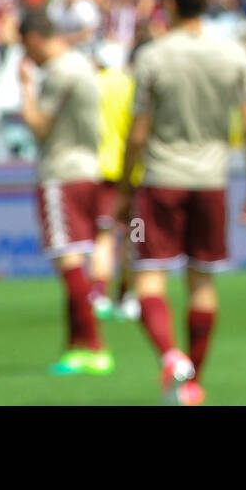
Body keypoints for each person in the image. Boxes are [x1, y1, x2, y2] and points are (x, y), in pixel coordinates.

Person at [119, 0, 246, 405]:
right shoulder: (234, 54)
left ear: (168, 6)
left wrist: (127, 188)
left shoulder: (152, 56)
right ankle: (193, 382)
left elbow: (138, 133)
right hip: (211, 179)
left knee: (149, 277)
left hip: (162, 178)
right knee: (202, 283)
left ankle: (169, 356)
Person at [17, 10, 112, 376]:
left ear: (36, 39)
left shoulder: (59, 72)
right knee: (76, 257)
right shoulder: (83, 65)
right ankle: (75, 345)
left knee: (67, 259)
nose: (28, 58)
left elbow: (40, 127)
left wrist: (24, 87)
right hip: (89, 169)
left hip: (62, 172)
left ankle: (94, 346)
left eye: (27, 48)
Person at [90, 39, 141, 322]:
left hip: (101, 168)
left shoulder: (94, 84)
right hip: (133, 170)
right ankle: (128, 296)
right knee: (136, 234)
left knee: (105, 235)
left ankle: (98, 294)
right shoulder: (132, 85)